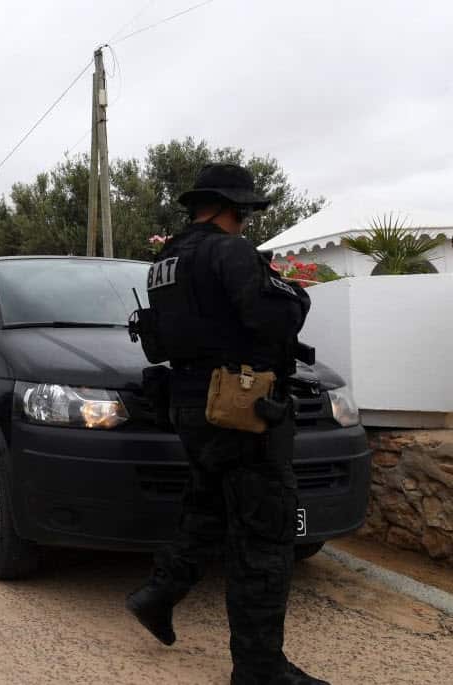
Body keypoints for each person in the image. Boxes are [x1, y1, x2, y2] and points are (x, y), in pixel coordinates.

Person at [125, 163, 325, 685]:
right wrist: (295, 293)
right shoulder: (230, 251)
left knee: (208, 509)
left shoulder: (164, 260)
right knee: (265, 532)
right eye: (245, 211)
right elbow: (275, 318)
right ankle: (260, 669)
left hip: (192, 405)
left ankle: (157, 596)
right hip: (240, 408)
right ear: (232, 207)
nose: (246, 220)